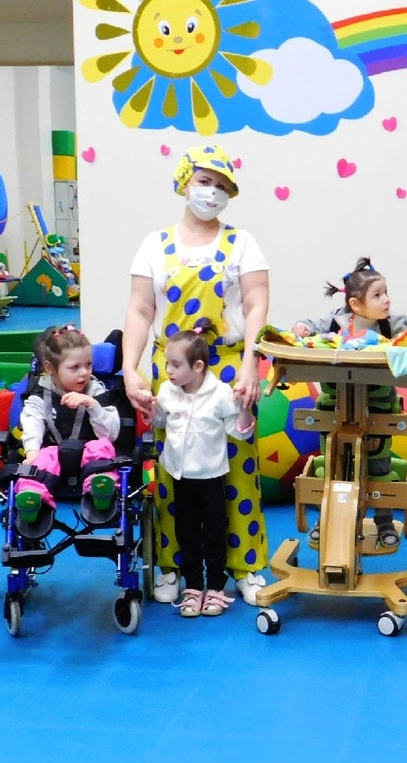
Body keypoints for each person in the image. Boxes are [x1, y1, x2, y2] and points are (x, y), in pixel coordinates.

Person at [123, 144, 270, 605]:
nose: (212, 192)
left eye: (222, 185)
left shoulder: (242, 243)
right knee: (172, 471)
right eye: (205, 181)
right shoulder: (155, 244)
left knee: (238, 468)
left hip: (227, 368)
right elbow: (140, 309)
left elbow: (256, 304)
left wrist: (251, 363)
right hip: (172, 370)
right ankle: (173, 566)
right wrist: (129, 368)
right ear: (185, 183)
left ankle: (244, 565)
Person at [292, 258, 407, 547]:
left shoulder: (393, 324)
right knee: (333, 466)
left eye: (386, 292)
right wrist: (301, 328)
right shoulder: (337, 321)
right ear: (355, 304)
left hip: (377, 408)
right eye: (377, 295)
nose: (386, 299)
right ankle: (325, 519)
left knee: (379, 466)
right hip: (335, 406)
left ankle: (384, 522)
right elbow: (309, 325)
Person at [152, 325, 256, 617]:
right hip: (180, 476)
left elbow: (240, 432)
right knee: (185, 532)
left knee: (214, 533)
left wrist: (244, 407)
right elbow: (160, 423)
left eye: (175, 365)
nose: (168, 371)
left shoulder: (220, 393)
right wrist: (152, 409)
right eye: (167, 364)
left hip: (211, 477)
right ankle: (193, 586)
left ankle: (216, 587)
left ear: (197, 366)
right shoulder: (167, 391)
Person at [13, 324, 122, 528]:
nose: (84, 372)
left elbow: (111, 434)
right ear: (50, 368)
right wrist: (32, 452)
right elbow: (32, 422)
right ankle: (32, 497)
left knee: (102, 447)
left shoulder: (96, 391)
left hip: (90, 456)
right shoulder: (40, 395)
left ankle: (100, 488)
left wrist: (93, 405)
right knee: (42, 458)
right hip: (54, 455)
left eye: (88, 365)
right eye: (75, 367)